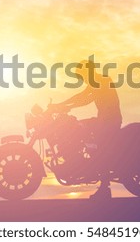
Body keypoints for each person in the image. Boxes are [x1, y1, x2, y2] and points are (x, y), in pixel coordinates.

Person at [49, 60, 122, 199]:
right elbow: (80, 96)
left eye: (81, 75)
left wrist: (65, 106)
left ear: (88, 71)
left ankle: (105, 187)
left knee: (100, 149)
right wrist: (61, 105)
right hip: (103, 120)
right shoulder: (95, 82)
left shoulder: (102, 80)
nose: (81, 79)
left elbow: (85, 100)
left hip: (109, 122)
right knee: (78, 128)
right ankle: (78, 162)